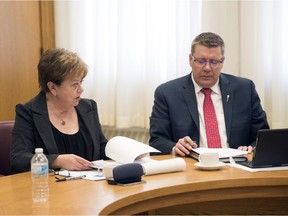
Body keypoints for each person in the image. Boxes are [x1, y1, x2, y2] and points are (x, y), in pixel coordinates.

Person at [149, 32, 269, 157]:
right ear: (190, 59)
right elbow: (157, 141)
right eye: (201, 61)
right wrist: (175, 147)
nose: (207, 68)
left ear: (222, 62)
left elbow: (262, 135)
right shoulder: (167, 93)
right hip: (191, 166)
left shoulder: (245, 89)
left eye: (214, 62)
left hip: (237, 165)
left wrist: (252, 147)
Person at [11, 48, 108, 173]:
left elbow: (101, 148)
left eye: (81, 82)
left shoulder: (89, 108)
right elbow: (18, 160)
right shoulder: (28, 113)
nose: (81, 89)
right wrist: (57, 161)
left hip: (90, 187)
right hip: (51, 188)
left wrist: (129, 153)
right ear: (52, 87)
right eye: (74, 84)